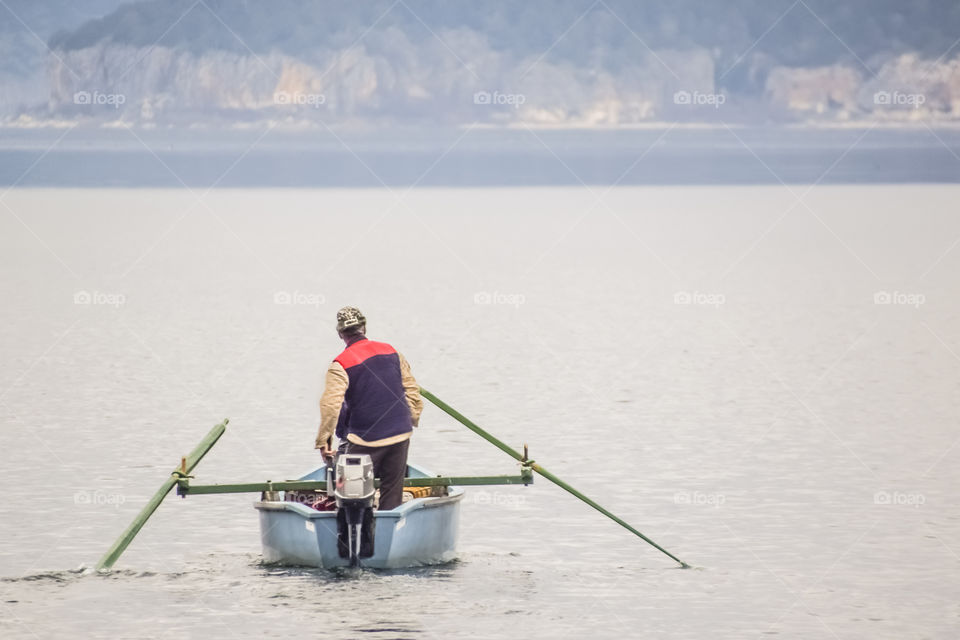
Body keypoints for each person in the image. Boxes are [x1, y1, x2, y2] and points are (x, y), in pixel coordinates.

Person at [315, 306, 422, 510]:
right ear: (363, 327)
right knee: (392, 493)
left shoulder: (340, 364)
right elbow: (412, 390)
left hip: (365, 440)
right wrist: (412, 419)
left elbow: (331, 405)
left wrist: (324, 441)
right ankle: (385, 532)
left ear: (340, 334)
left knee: (350, 495)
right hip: (400, 435)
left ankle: (352, 534)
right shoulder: (392, 351)